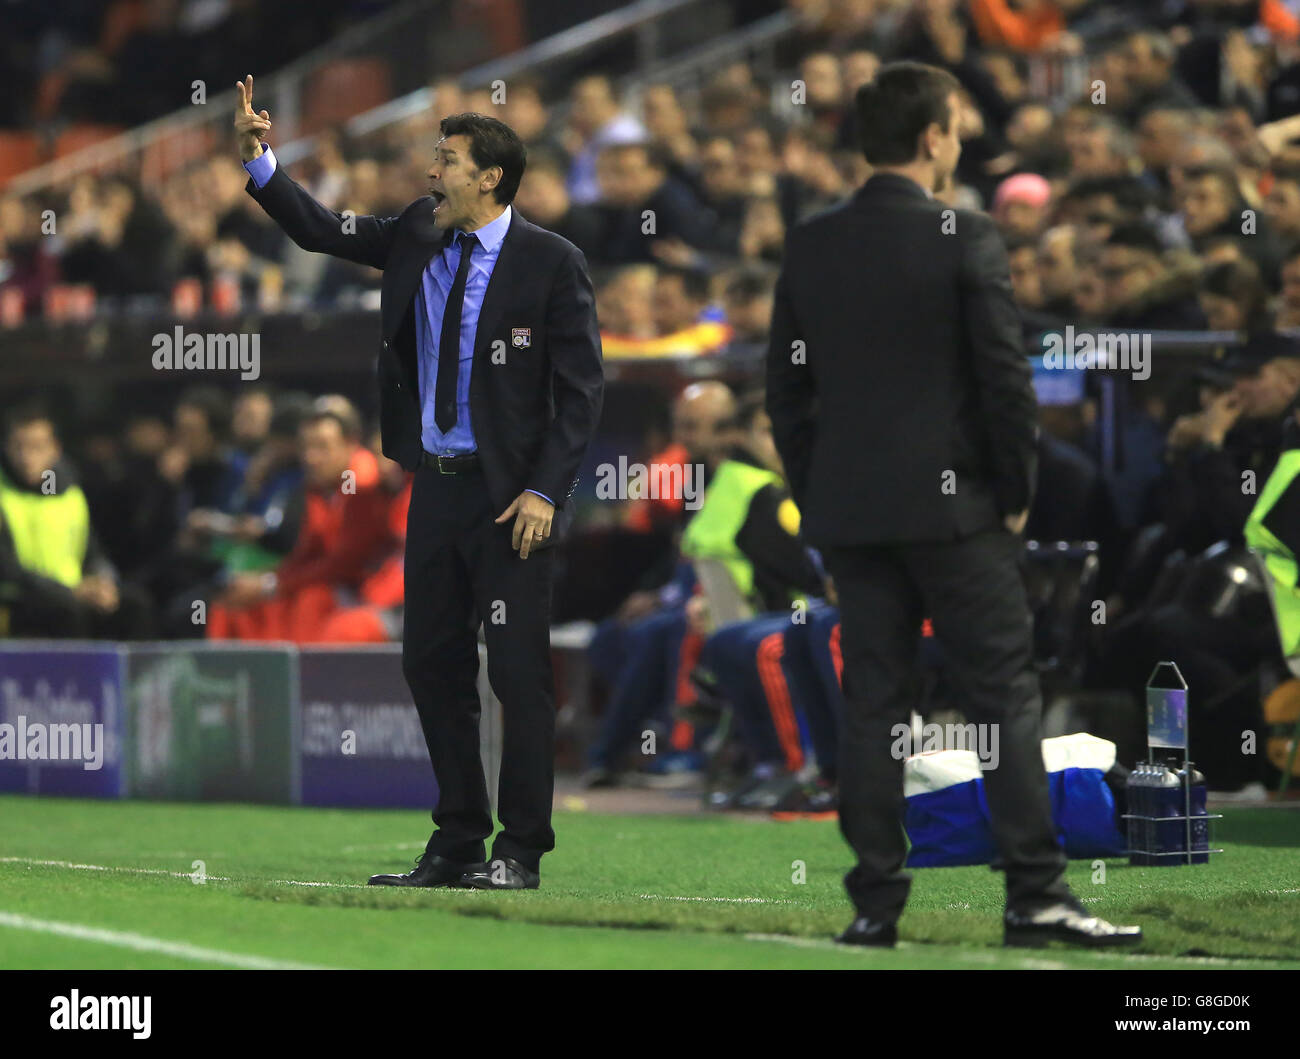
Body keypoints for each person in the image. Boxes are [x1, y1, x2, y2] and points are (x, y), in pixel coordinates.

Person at [766, 61, 1141, 949]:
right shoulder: (963, 234)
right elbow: (1005, 382)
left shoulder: (812, 242)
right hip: (960, 512)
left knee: (872, 706)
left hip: (855, 516)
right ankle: (1036, 895)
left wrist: (821, 490)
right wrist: (1015, 494)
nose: (963, 138)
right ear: (933, 136)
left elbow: (785, 391)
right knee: (1002, 697)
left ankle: (874, 903)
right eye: (958, 126)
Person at [234, 76, 603, 890]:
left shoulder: (551, 263)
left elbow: (581, 394)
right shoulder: (413, 232)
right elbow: (321, 231)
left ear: (489, 179)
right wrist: (261, 160)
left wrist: (546, 490)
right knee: (430, 663)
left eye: (446, 160)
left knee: (515, 671)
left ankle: (522, 850)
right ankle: (460, 840)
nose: (430, 172)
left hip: (512, 499)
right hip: (434, 488)